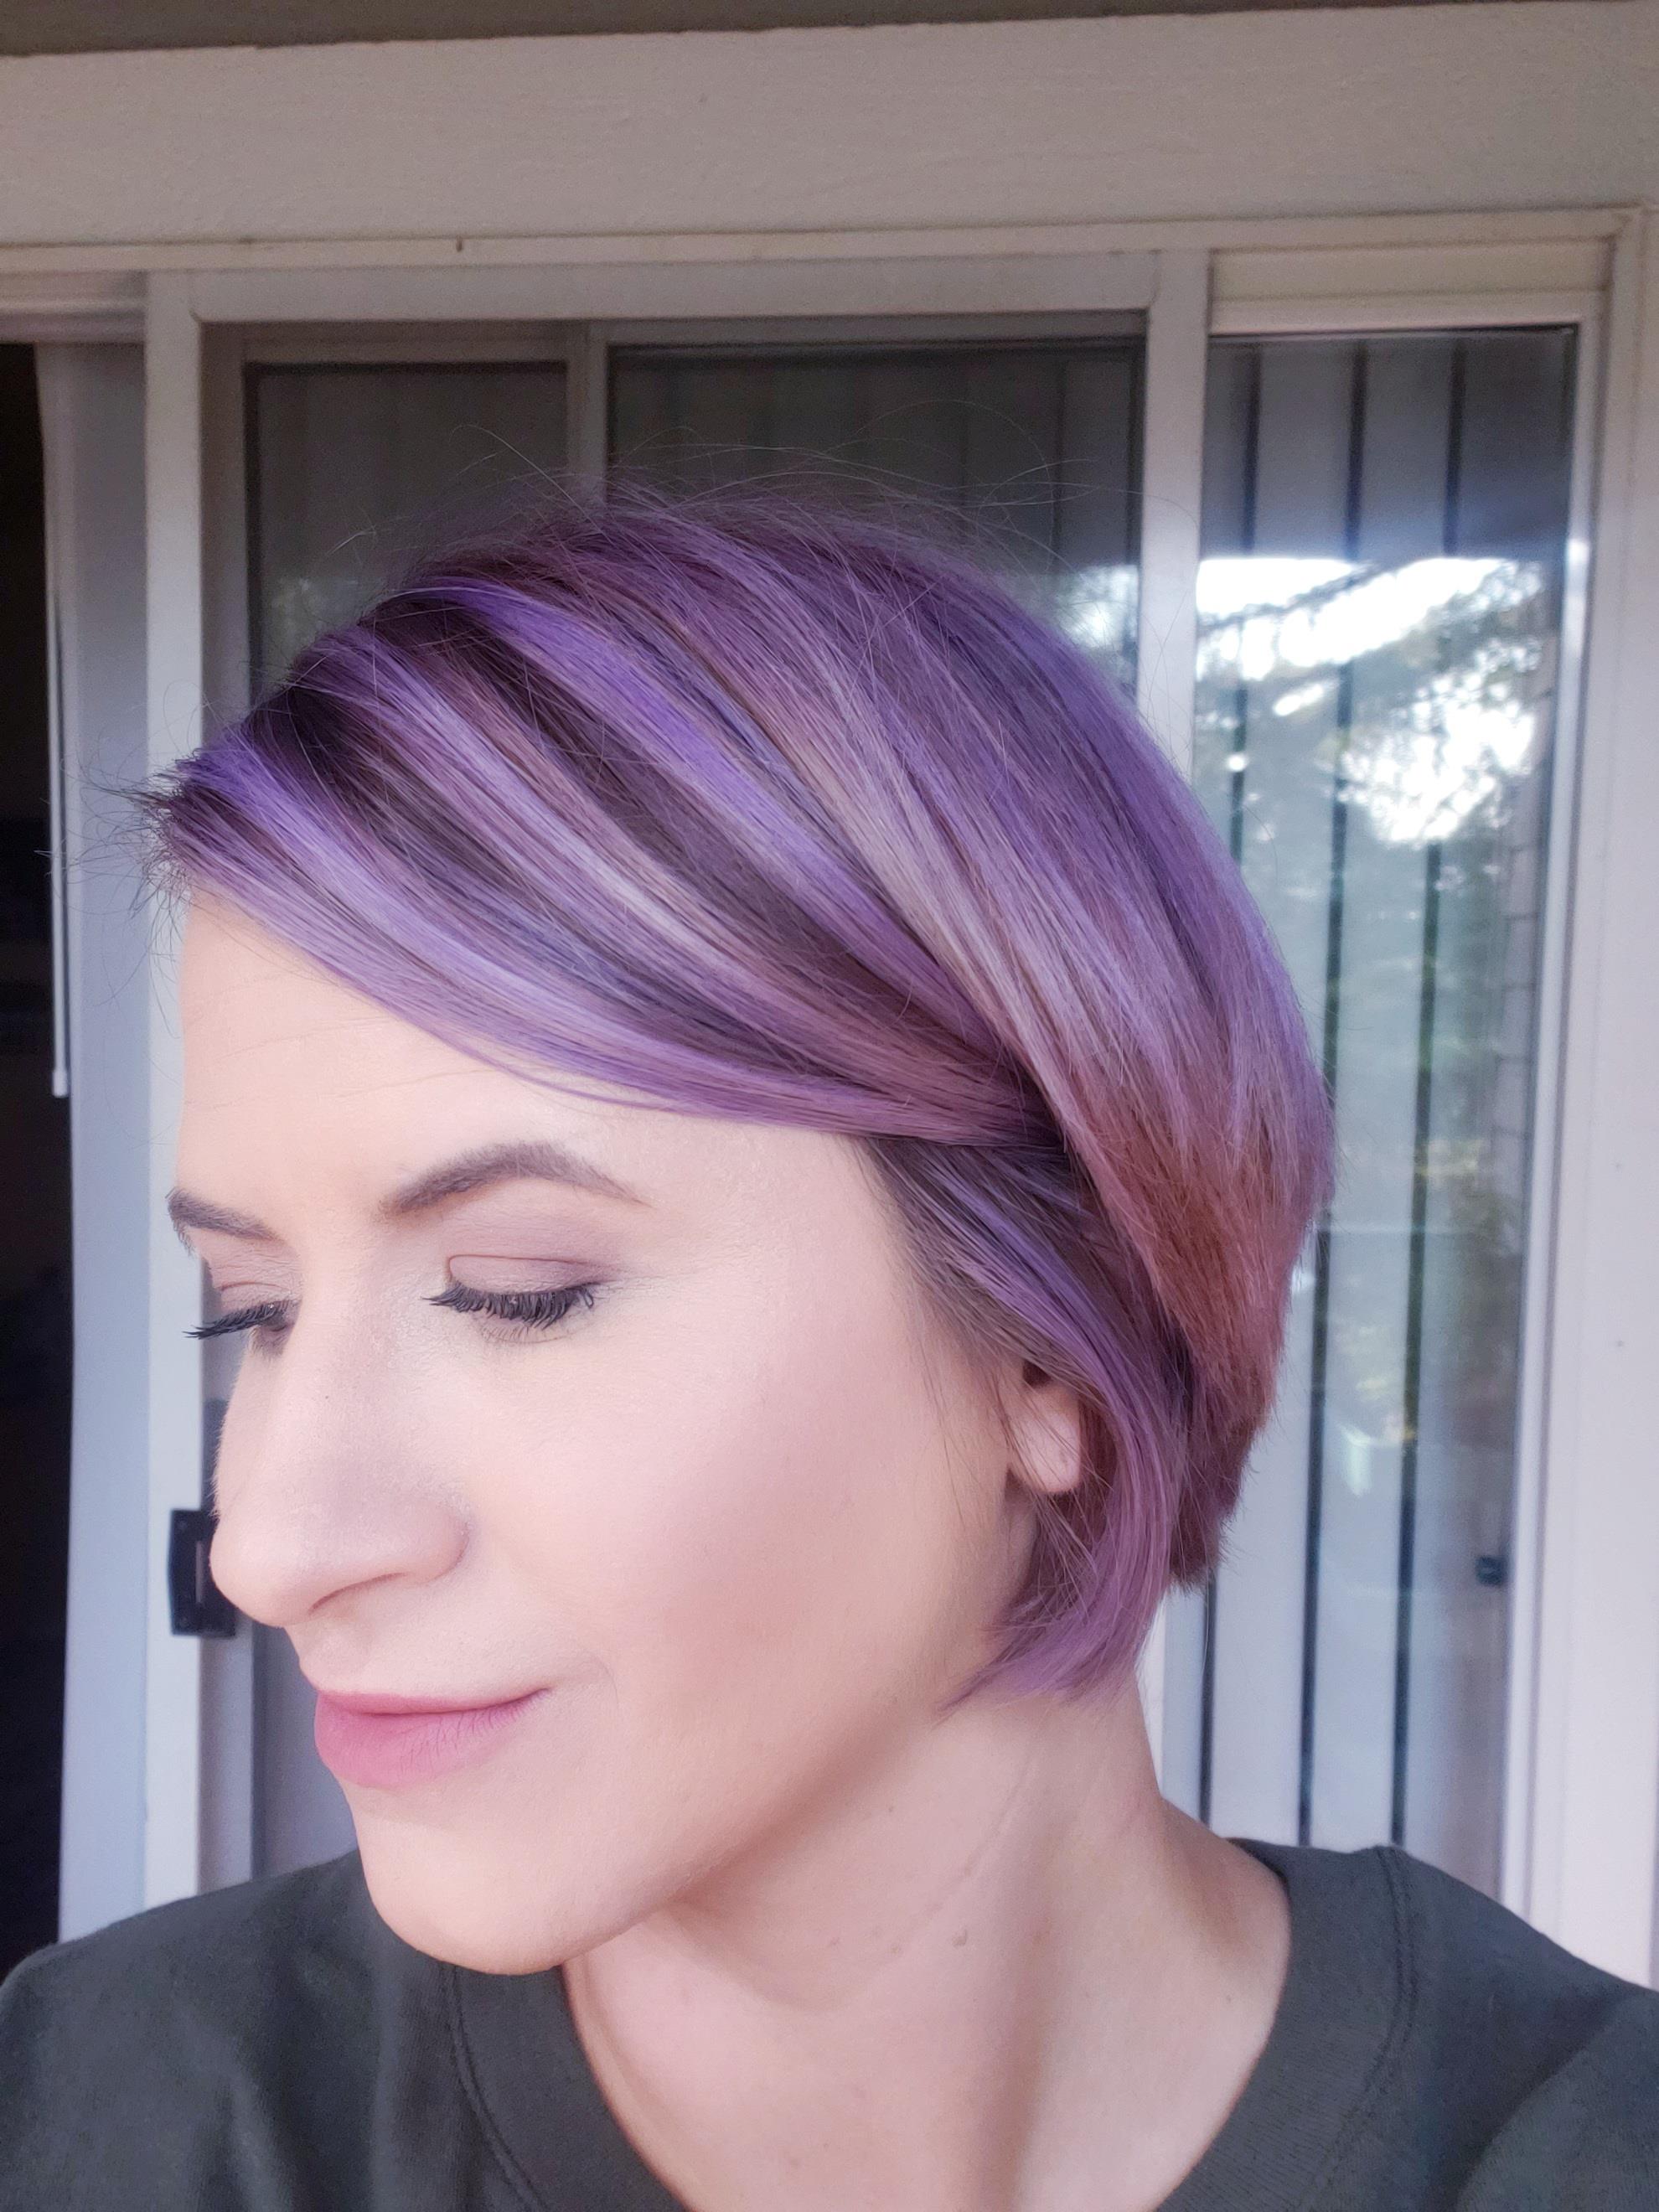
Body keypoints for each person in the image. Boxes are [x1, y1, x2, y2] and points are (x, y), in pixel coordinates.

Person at [2, 483, 1654, 2210]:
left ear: (1058, 1335)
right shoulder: (105, 2116)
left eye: (517, 1290)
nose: (269, 1550)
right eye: (256, 1311)